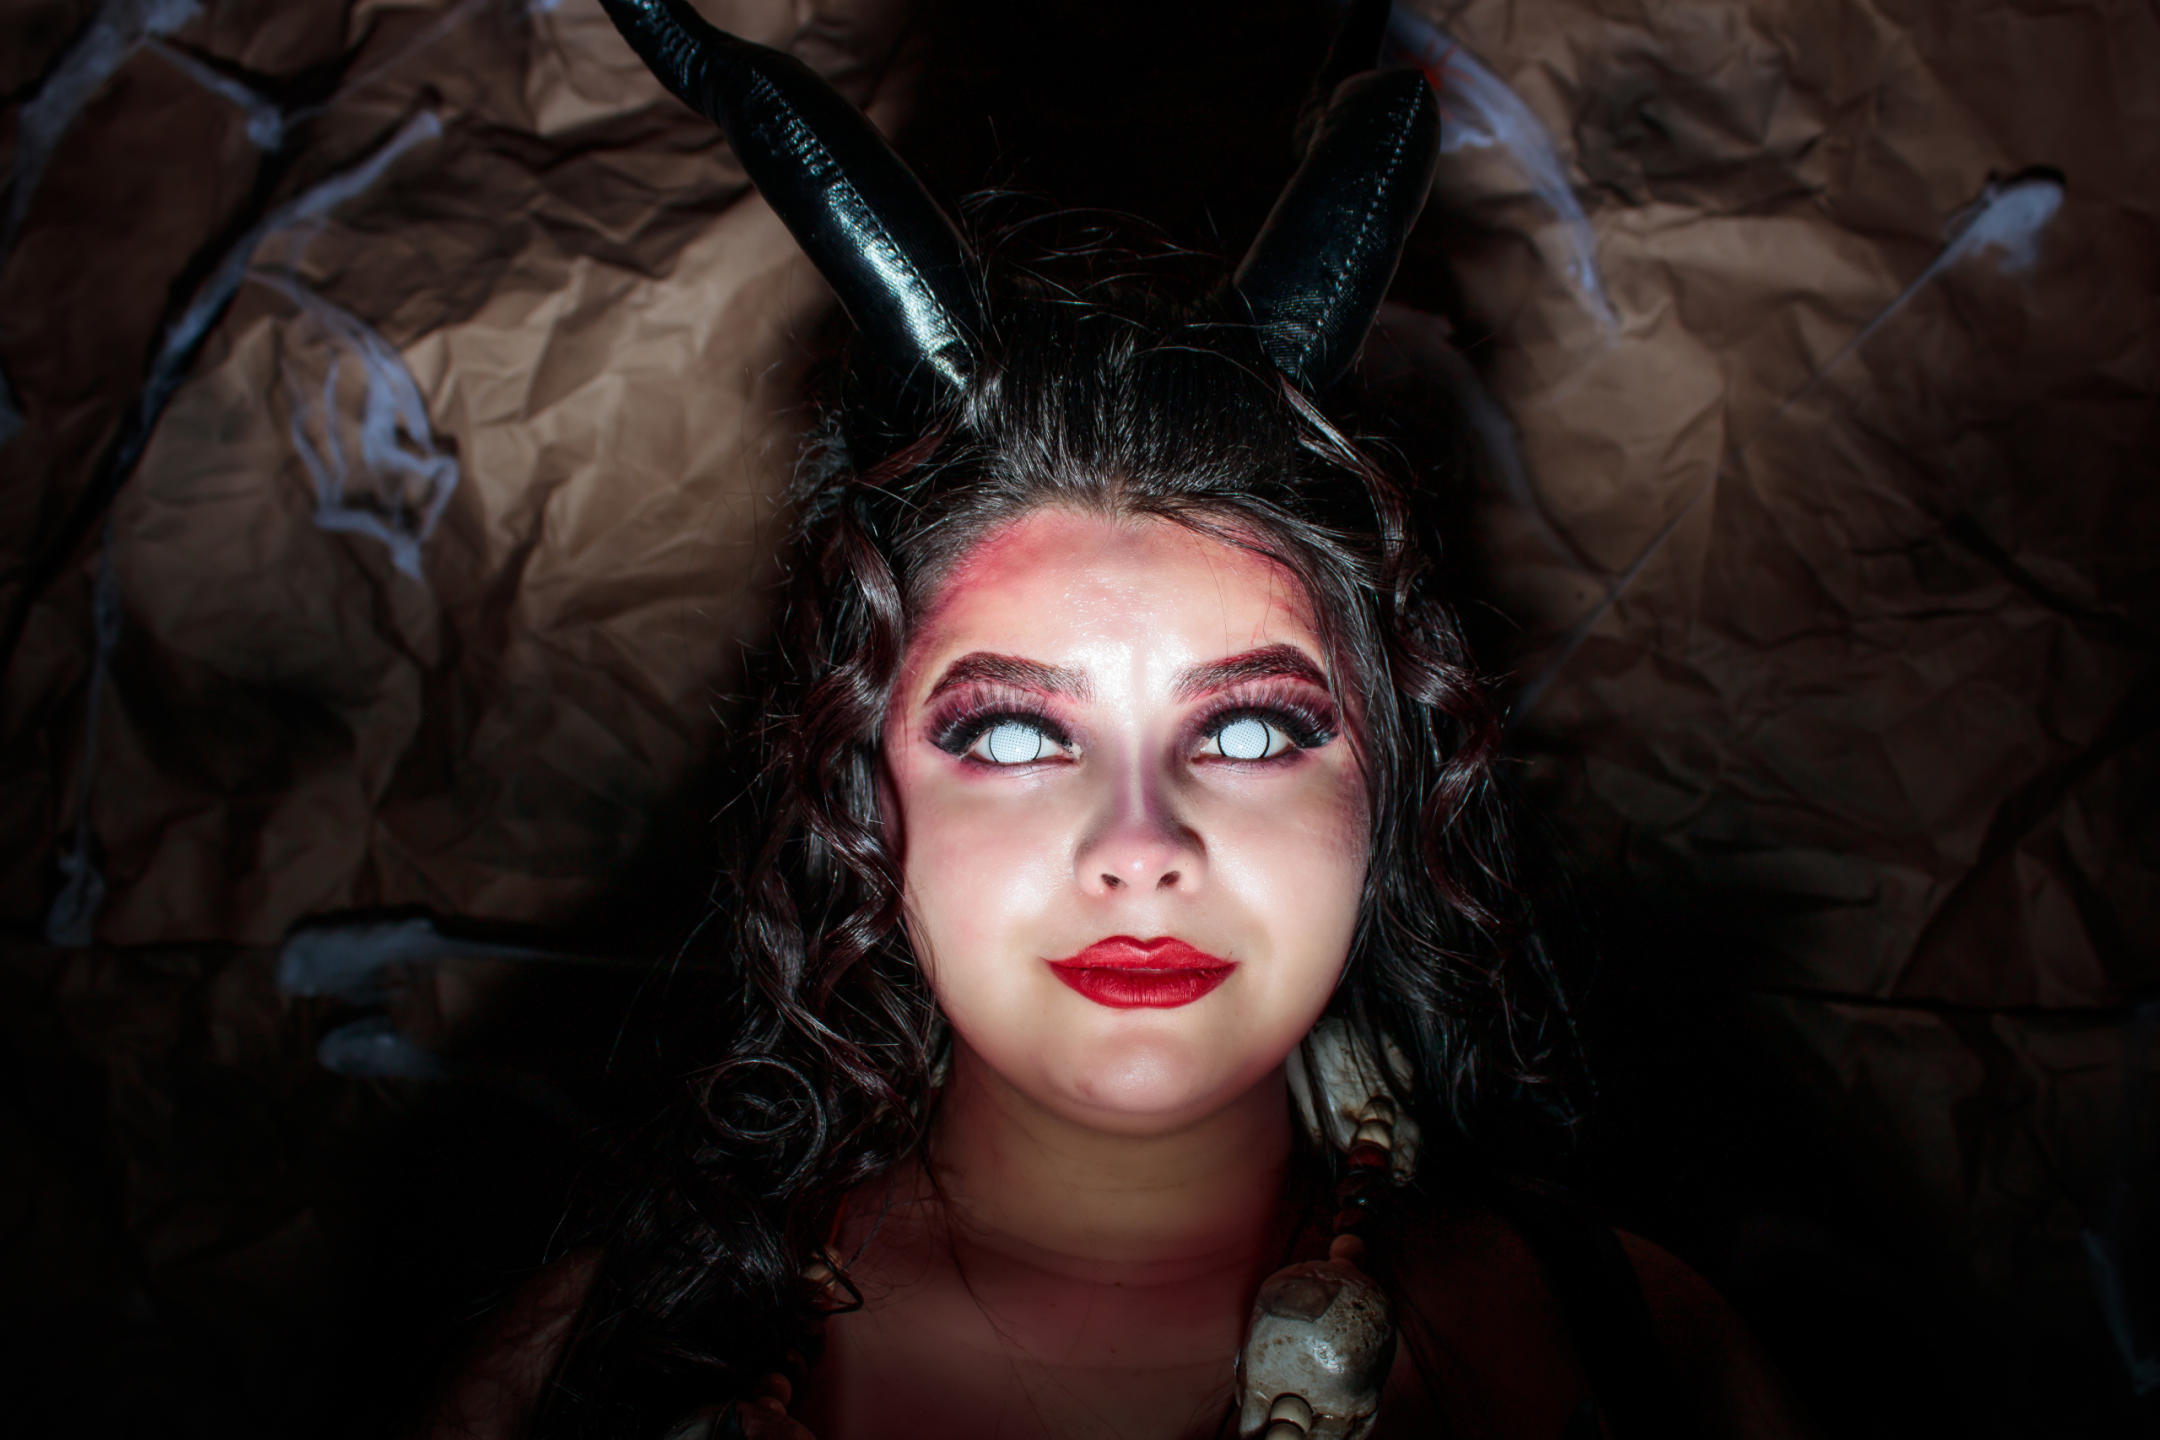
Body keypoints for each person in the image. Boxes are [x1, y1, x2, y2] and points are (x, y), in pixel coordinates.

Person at [420, 2, 1809, 1437]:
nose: (1141, 847)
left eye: (1252, 732)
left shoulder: (1647, 1354)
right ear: (862, 791)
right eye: (1014, 735)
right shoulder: (574, 1379)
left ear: (1387, 782)